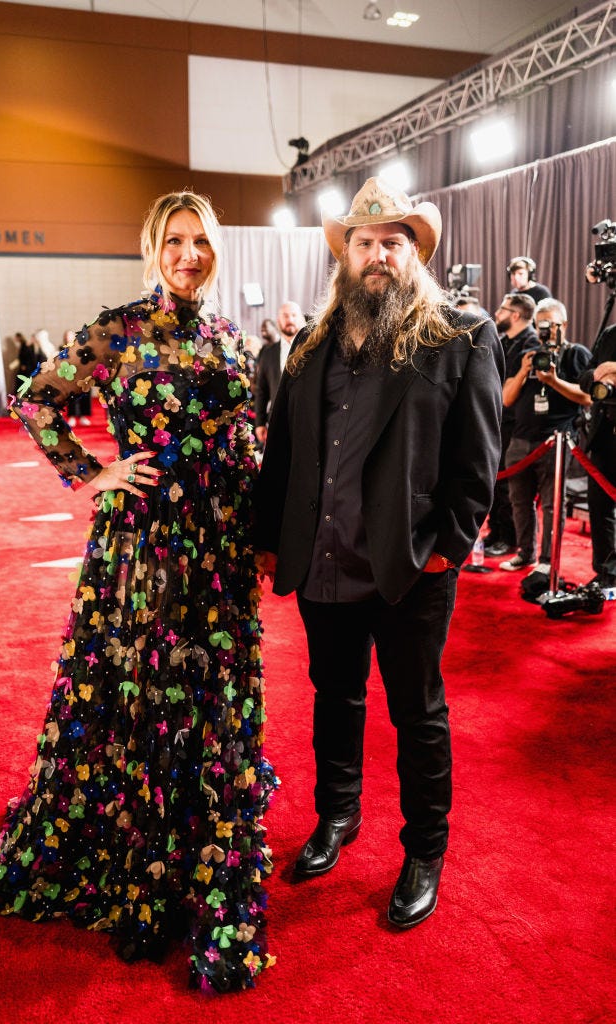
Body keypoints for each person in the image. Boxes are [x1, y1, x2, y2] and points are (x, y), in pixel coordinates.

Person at [0, 190, 276, 993]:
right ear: (151, 248)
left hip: (217, 553)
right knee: (140, 692)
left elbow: (241, 435)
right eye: (174, 240)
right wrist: (92, 474)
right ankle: (139, 851)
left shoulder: (232, 339)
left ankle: (196, 837)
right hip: (140, 550)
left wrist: (261, 524)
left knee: (203, 695)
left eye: (200, 241)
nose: (189, 254)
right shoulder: (117, 329)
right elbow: (35, 400)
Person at [253, 177, 503, 928]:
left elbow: (478, 457)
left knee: (415, 710)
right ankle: (338, 815)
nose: (375, 254)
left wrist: (447, 549)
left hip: (408, 567)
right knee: (335, 697)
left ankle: (423, 849)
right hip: (323, 560)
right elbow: (283, 452)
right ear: (344, 255)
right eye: (362, 242)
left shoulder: (459, 335)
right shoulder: (310, 345)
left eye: (390, 242)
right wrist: (269, 539)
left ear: (413, 253)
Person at [499, 298, 591, 573]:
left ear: (564, 324)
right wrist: (525, 371)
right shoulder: (526, 353)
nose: (545, 332)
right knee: (519, 502)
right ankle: (525, 553)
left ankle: (548, 561)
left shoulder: (577, 355)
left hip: (557, 441)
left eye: (551, 326)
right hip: (521, 438)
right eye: (541, 326)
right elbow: (506, 398)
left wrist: (553, 381)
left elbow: (586, 397)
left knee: (552, 506)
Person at [482, 292, 538, 557]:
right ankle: (497, 531)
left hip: (515, 426)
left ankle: (510, 537)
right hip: (497, 421)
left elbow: (507, 394)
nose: (497, 314)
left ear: (516, 315)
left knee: (507, 487)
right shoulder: (506, 341)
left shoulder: (531, 344)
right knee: (494, 483)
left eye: (503, 310)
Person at [578, 323, 616, 588]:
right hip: (604, 437)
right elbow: (583, 378)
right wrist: (598, 374)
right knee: (599, 509)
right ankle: (605, 572)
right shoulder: (610, 333)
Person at [254, 301, 306, 448]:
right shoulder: (268, 353)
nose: (289, 319)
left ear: (301, 319)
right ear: (278, 320)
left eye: (294, 315)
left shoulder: (314, 349)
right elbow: (261, 390)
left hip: (307, 421)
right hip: (277, 421)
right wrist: (259, 423)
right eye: (285, 316)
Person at [63, 329, 94, 427]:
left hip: (83, 375)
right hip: (70, 376)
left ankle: (82, 416)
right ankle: (72, 416)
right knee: (72, 398)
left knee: (84, 396)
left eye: (70, 336)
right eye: (67, 336)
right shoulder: (63, 349)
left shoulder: (82, 347)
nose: (69, 338)